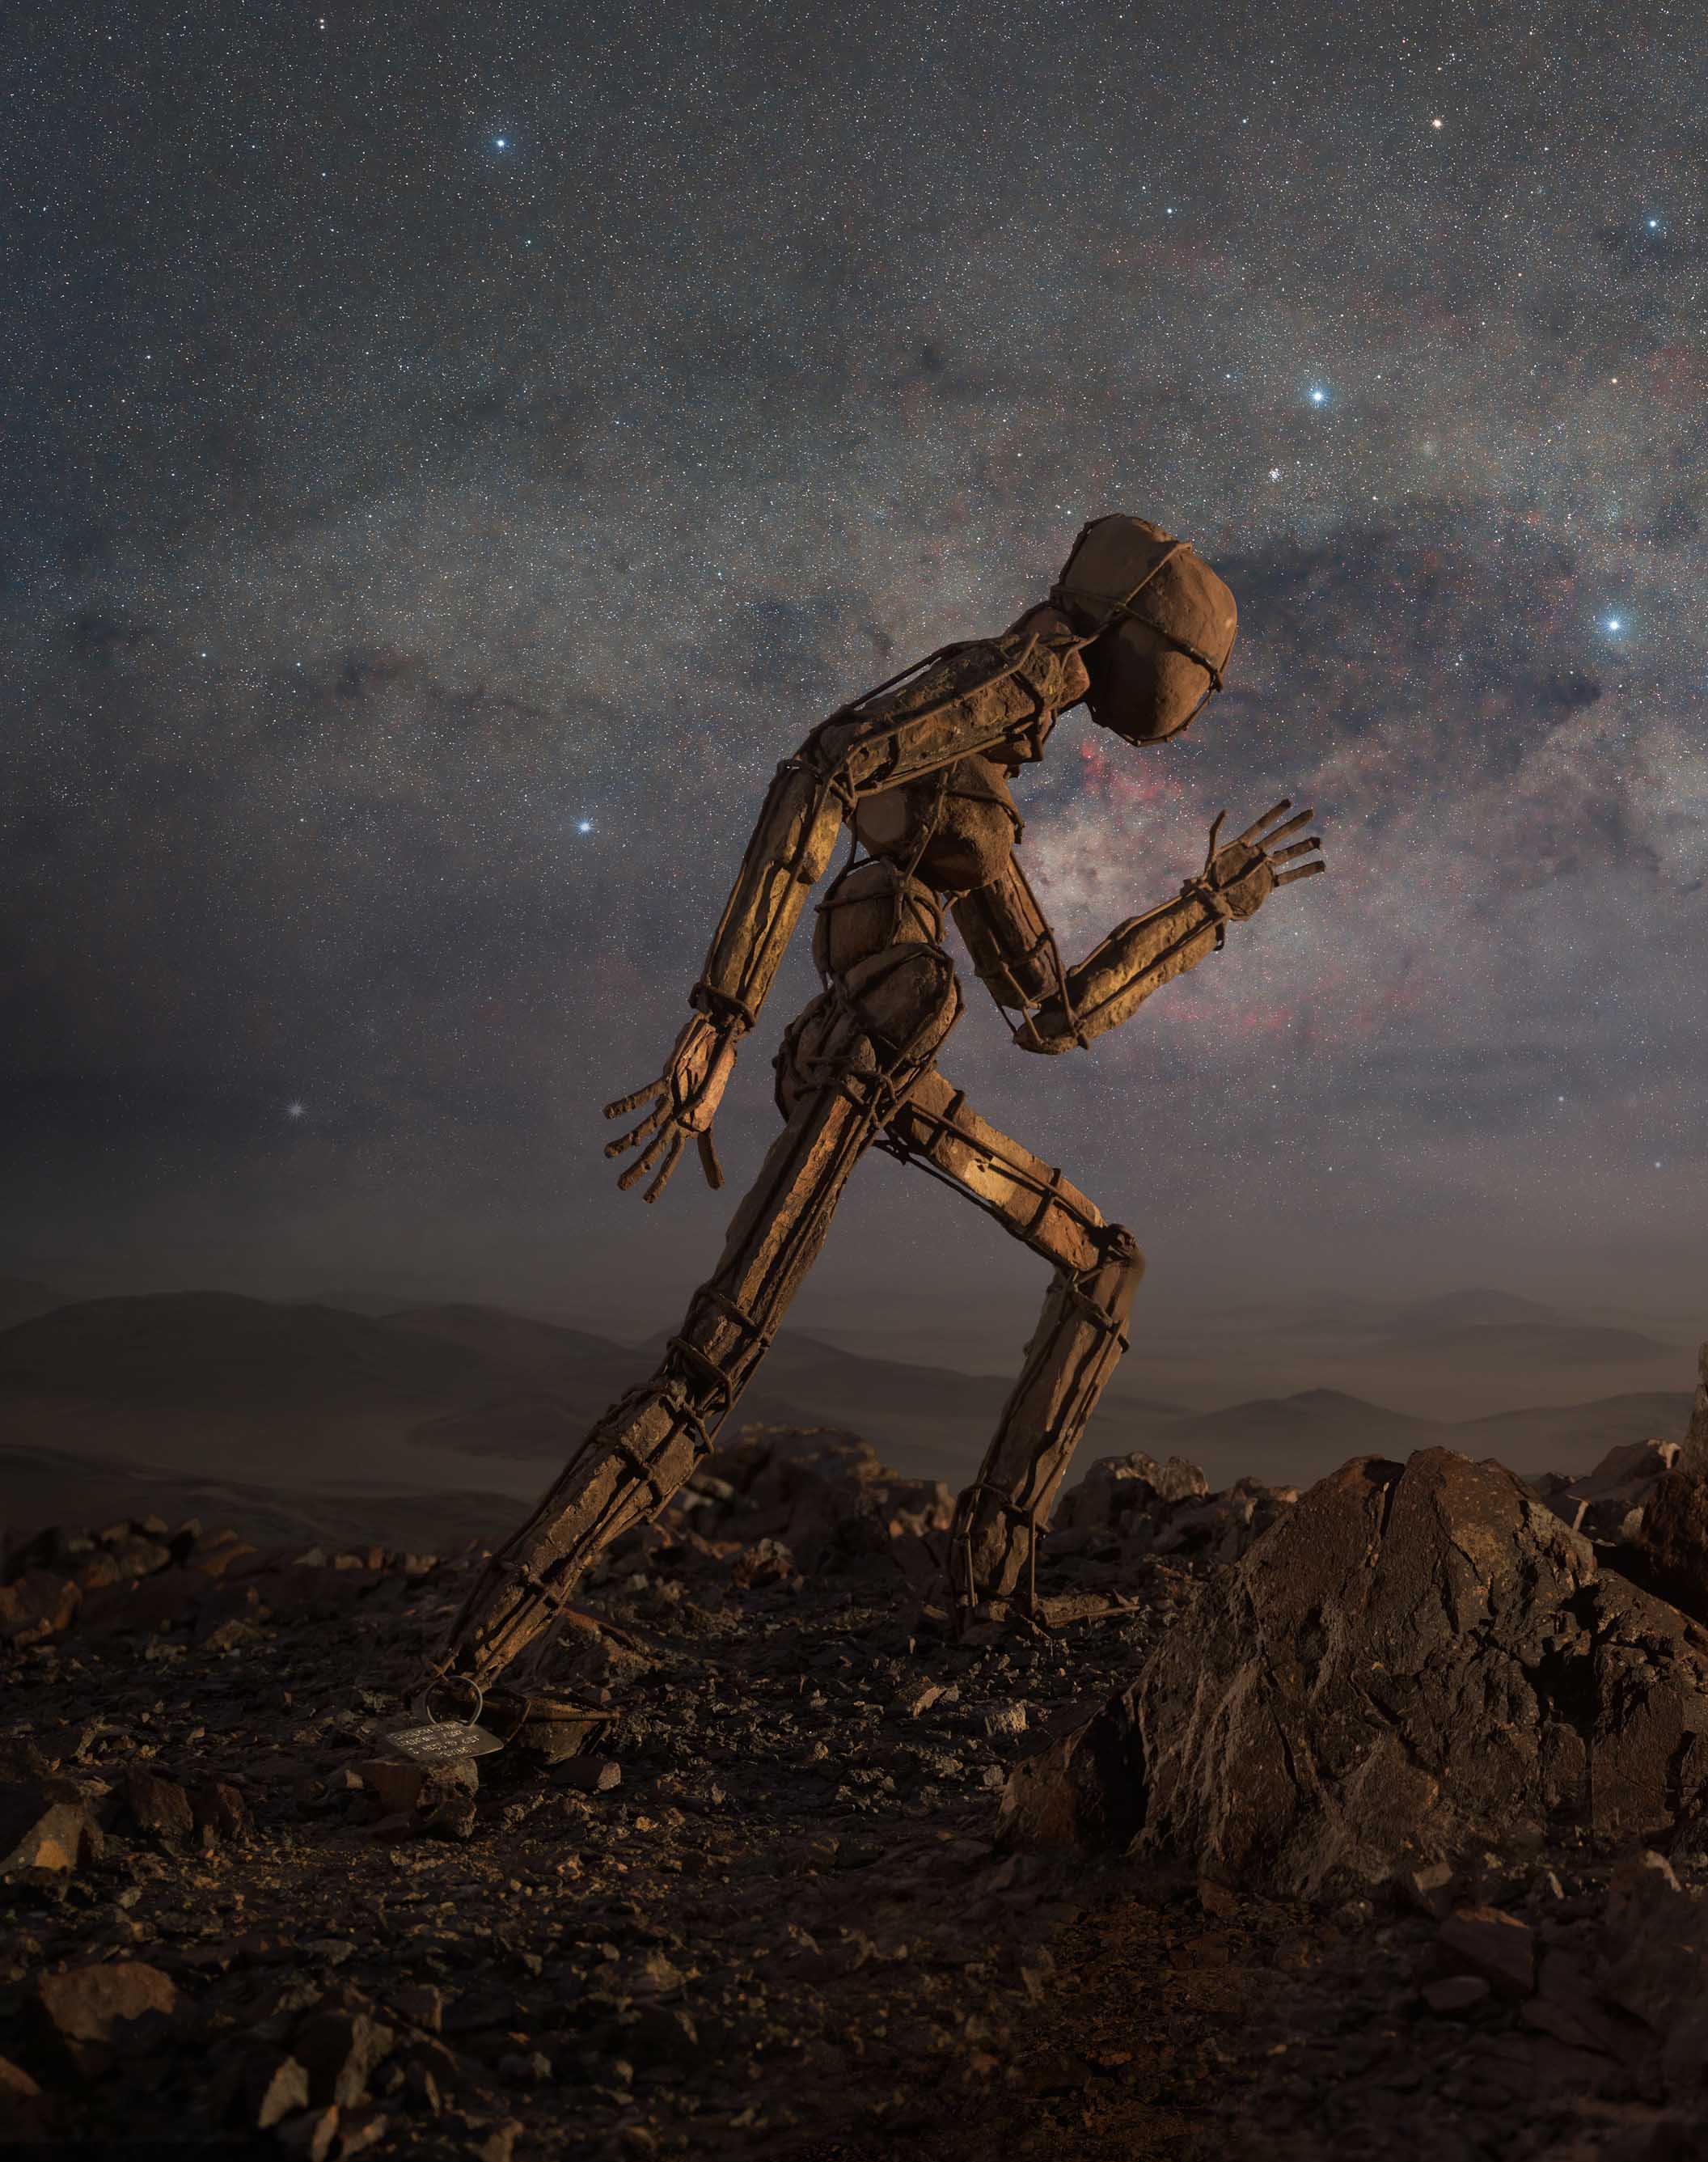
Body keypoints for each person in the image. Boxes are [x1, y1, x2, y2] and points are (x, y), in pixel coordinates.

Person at [421, 514, 1320, 1733]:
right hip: (873, 1033)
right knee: (715, 1359)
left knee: (1103, 1265)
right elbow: (822, 770)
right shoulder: (1005, 679)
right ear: (1142, 631)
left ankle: (995, 1592)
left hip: (893, 1046)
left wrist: (1207, 909)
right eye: (1196, 662)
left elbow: (1052, 1010)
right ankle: (467, 1669)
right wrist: (719, 1020)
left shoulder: (996, 749)